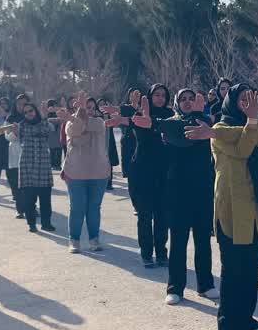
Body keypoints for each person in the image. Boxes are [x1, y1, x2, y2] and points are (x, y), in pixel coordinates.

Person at [186, 83, 258, 330]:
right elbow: (243, 149)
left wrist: (217, 131)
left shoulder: (257, 125)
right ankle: (227, 323)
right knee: (234, 266)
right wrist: (226, 129)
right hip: (232, 205)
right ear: (230, 101)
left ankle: (246, 319)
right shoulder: (221, 128)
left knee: (253, 265)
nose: (247, 103)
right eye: (242, 99)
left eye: (251, 98)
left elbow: (257, 136)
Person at [157, 89, 218, 304]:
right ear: (177, 103)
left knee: (203, 239)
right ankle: (175, 287)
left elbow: (214, 128)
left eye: (191, 99)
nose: (187, 102)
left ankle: (205, 284)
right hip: (177, 190)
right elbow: (177, 133)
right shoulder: (171, 124)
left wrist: (203, 118)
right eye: (183, 99)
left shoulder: (204, 122)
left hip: (201, 188)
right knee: (178, 240)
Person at [121, 85, 173, 267]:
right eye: (156, 95)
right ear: (150, 97)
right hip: (142, 171)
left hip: (163, 172)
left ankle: (161, 252)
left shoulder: (171, 115)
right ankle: (146, 253)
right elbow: (139, 133)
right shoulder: (142, 113)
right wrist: (145, 120)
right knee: (144, 215)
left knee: (162, 216)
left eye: (163, 95)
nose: (160, 98)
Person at [63, 93, 119, 251]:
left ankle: (94, 239)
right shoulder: (69, 124)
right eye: (84, 107)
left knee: (94, 208)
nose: (88, 110)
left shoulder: (99, 122)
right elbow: (76, 131)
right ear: (76, 108)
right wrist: (78, 118)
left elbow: (85, 130)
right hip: (75, 172)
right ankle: (74, 240)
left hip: (98, 173)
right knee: (77, 208)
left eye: (91, 108)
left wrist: (80, 120)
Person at [12, 99, 55, 233]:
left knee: (45, 198)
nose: (28, 114)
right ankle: (31, 224)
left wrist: (44, 117)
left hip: (43, 165)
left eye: (31, 110)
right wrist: (14, 132)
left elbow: (48, 130)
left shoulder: (44, 123)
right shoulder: (21, 125)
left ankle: (46, 223)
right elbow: (12, 137)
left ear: (35, 111)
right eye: (25, 112)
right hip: (27, 165)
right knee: (29, 199)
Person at [5, 93, 30, 219]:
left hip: (30, 153)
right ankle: (20, 209)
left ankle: (31, 207)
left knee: (30, 184)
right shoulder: (10, 118)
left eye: (24, 104)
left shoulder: (32, 116)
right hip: (15, 153)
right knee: (17, 183)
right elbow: (7, 136)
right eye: (19, 104)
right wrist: (14, 133)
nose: (21, 106)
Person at [45, 97, 65, 172]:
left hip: (58, 136)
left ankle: (58, 165)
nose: (53, 107)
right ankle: (52, 165)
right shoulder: (47, 114)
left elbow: (62, 120)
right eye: (51, 105)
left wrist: (52, 120)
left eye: (54, 105)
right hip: (51, 136)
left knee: (59, 151)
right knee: (52, 151)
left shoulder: (59, 112)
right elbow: (45, 121)